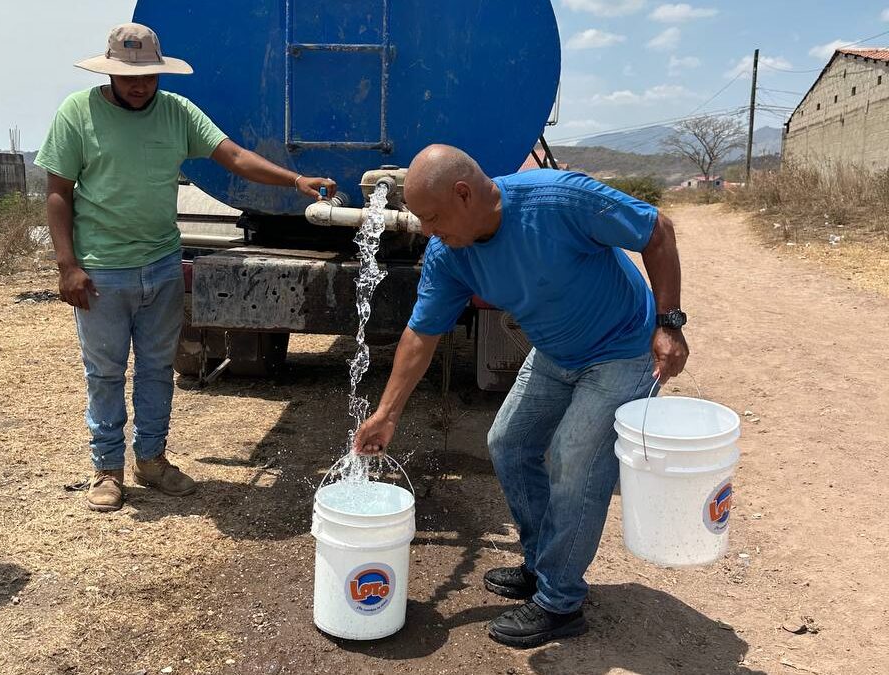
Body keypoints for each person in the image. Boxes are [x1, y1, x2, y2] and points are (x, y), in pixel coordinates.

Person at [353, 144, 689, 648]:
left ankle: (560, 602)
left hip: (623, 349)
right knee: (508, 444)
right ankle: (541, 565)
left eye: (432, 217)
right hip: (555, 352)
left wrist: (669, 324)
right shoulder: (450, 254)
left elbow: (657, 229)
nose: (426, 230)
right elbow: (421, 335)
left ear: (464, 194)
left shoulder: (558, 200)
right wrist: (386, 413)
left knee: (574, 461)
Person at [36, 23, 336, 513]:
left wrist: (294, 179)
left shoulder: (176, 112)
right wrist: (67, 266)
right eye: (129, 77)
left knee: (157, 369)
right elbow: (57, 193)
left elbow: (234, 156)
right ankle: (107, 469)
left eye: (148, 76)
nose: (139, 86)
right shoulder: (77, 113)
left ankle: (151, 460)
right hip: (102, 272)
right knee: (105, 373)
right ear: (109, 72)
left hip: (161, 265)